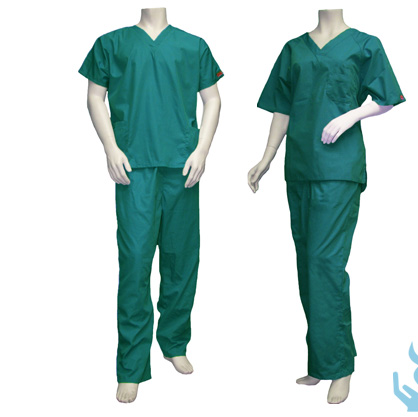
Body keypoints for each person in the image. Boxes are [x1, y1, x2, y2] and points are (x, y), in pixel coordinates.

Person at [248, 8, 405, 404]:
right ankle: (321, 361)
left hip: (338, 169)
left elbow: (387, 97)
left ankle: (340, 367)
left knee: (325, 264)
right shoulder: (294, 49)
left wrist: (353, 115)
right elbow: (283, 107)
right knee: (307, 265)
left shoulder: (365, 45)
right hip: (299, 167)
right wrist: (267, 157)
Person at [78, 7, 224, 403]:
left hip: (182, 165)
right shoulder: (111, 44)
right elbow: (94, 96)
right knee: (135, 263)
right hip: (134, 166)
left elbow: (212, 99)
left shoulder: (193, 46)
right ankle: (131, 366)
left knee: (181, 259)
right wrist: (110, 147)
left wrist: (202, 149)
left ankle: (174, 342)